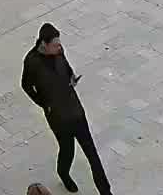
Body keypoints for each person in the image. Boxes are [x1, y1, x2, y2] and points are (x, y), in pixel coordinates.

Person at [22, 22, 112, 195]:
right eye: (55, 45)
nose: (59, 47)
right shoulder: (32, 62)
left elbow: (65, 64)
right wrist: (44, 103)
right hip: (58, 118)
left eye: (59, 44)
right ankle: (63, 173)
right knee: (67, 150)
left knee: (93, 156)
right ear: (44, 44)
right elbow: (25, 85)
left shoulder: (59, 51)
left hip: (75, 111)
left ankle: (106, 192)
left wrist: (71, 76)